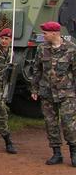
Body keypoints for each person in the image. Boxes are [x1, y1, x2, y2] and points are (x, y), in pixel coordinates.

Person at [31, 21, 76, 167]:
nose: (43, 36)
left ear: (54, 33)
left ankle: (74, 153)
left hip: (67, 93)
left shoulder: (71, 49)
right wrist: (34, 89)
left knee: (69, 123)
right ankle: (56, 153)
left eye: (45, 33)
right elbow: (37, 70)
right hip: (47, 92)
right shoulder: (42, 49)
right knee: (51, 124)